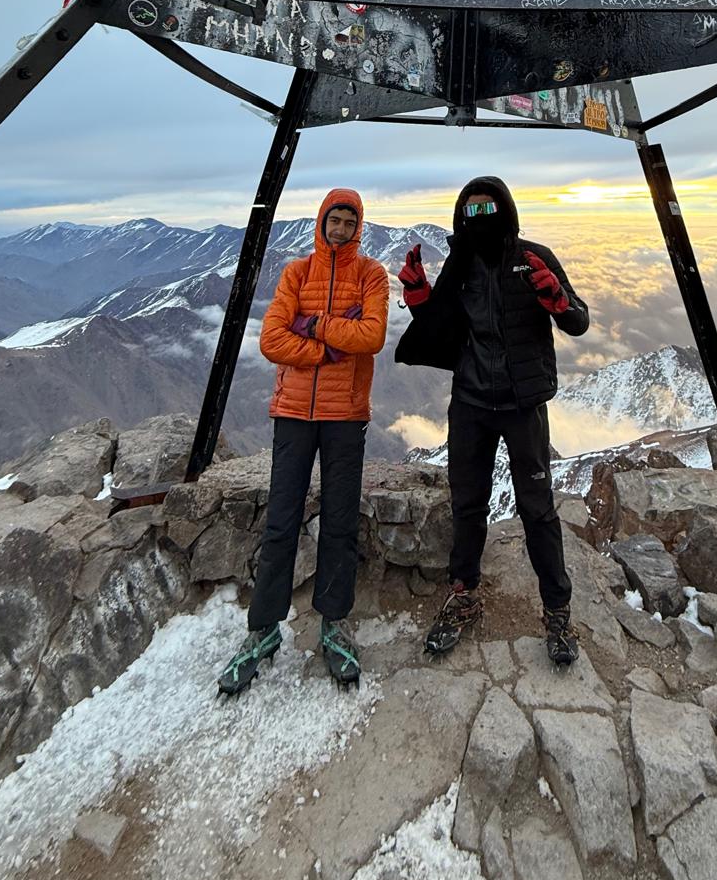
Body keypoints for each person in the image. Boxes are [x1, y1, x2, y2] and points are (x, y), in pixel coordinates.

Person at [394, 176, 588, 665]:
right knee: (467, 504)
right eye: (471, 213)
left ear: (506, 210)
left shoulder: (534, 257)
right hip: (472, 404)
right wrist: (419, 295)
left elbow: (579, 320)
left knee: (538, 509)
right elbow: (440, 326)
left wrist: (557, 301)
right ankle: (463, 595)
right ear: (461, 218)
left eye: (489, 210)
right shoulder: (459, 267)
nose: (480, 220)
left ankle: (558, 612)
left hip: (523, 406)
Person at [218, 188, 389, 695]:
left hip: (345, 416)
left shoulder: (371, 275)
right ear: (321, 223)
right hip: (293, 413)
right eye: (333, 221)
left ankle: (334, 625)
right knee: (281, 522)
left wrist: (311, 325)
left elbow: (373, 337)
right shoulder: (296, 273)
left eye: (348, 223)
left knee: (339, 522)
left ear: (358, 229)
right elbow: (271, 340)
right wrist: (331, 350)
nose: (339, 230)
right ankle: (262, 630)